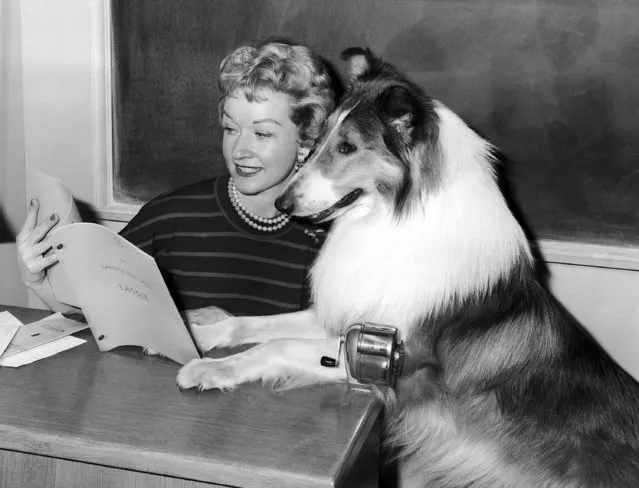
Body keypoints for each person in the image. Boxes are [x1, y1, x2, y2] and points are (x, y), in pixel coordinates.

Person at [16, 39, 337, 317]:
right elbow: (96, 313)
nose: (240, 150)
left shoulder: (335, 238)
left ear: (306, 139)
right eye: (230, 129)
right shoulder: (171, 217)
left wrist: (236, 332)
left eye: (262, 133)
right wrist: (41, 282)